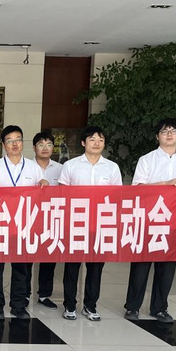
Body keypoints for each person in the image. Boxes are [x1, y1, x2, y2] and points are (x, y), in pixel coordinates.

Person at [124, 119, 176, 323]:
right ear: (157, 136)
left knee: (167, 266)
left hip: (173, 220)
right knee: (141, 265)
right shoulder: (147, 159)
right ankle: (132, 307)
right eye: (164, 131)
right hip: (148, 218)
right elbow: (137, 188)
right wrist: (165, 183)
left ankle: (159, 308)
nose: (169, 134)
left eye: (173, 131)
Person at [0, 125, 49, 320]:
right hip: (0, 224)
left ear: (23, 143)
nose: (14, 144)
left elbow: (40, 195)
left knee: (21, 268)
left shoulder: (33, 168)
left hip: (24, 224)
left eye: (18, 139)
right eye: (10, 140)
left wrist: (43, 184)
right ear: (4, 145)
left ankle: (18, 305)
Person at [59, 125, 123, 321]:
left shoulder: (112, 167)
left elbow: (117, 196)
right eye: (92, 139)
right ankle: (69, 305)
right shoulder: (71, 165)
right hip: (76, 223)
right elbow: (62, 193)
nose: (97, 143)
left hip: (101, 225)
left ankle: (90, 305)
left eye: (100, 140)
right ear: (83, 142)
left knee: (96, 268)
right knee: (72, 267)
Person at [32, 131, 64, 310]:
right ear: (34, 148)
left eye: (49, 144)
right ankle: (24, 293)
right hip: (30, 217)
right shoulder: (26, 167)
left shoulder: (61, 169)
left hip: (52, 217)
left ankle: (44, 294)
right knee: (26, 257)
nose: (45, 148)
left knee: (48, 257)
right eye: (41, 144)